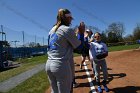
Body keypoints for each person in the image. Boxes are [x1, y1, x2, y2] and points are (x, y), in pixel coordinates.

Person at [45, 9, 84, 93]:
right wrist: (81, 33)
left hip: (49, 64)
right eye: (70, 18)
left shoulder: (51, 30)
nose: (71, 21)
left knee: (54, 91)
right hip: (61, 65)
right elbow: (79, 48)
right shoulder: (66, 29)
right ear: (67, 18)